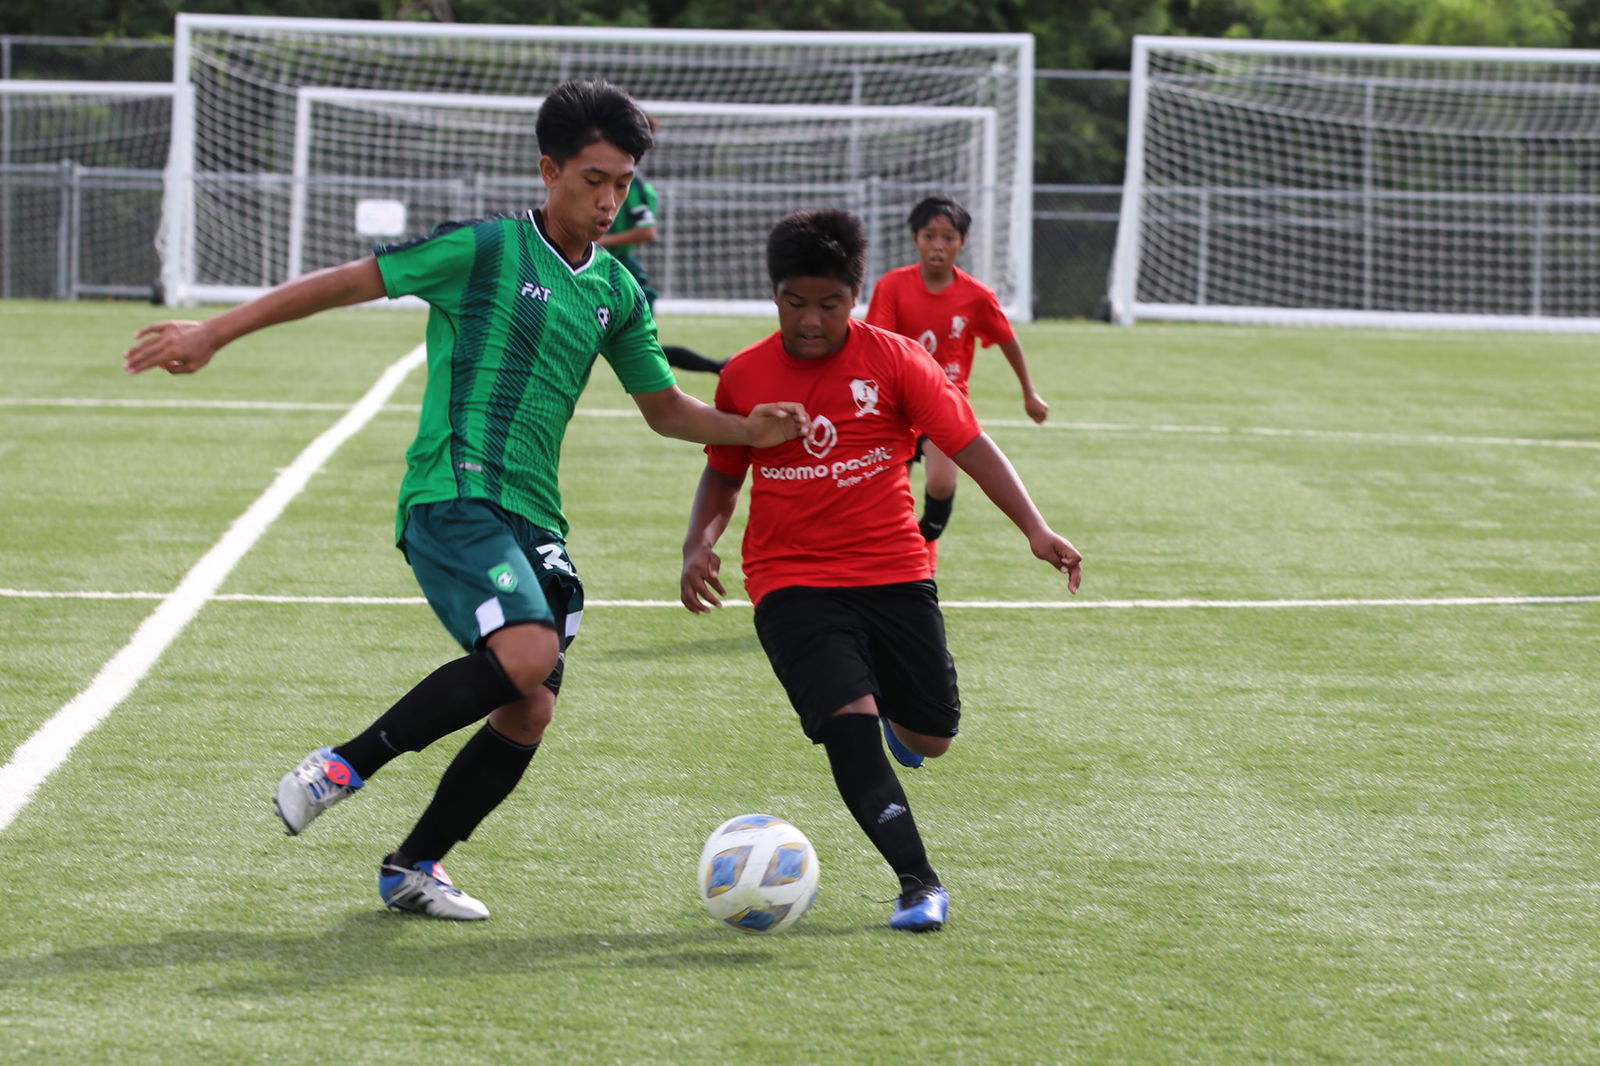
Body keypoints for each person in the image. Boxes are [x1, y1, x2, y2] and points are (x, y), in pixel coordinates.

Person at [121, 79, 809, 921]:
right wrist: (212, 331)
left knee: (530, 708)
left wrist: (750, 430)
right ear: (549, 169)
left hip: (534, 513)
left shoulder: (618, 292)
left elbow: (667, 411)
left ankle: (413, 867)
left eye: (622, 183)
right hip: (454, 491)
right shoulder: (484, 249)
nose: (608, 199)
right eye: (593, 179)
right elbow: (350, 282)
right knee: (524, 656)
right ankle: (342, 766)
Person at [679, 209, 1082, 933]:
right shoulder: (744, 375)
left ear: (854, 297)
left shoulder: (895, 360)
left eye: (829, 305)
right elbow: (723, 474)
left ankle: (903, 722)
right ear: (774, 295)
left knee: (932, 736)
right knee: (848, 725)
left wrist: (1036, 527)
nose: (810, 321)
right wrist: (697, 545)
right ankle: (919, 883)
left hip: (893, 570)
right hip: (789, 579)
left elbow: (972, 444)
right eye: (794, 303)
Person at [865, 196, 1049, 571]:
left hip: (942, 403)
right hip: (894, 406)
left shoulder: (976, 296)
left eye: (947, 237)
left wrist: (1028, 391)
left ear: (961, 243)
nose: (937, 245)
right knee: (887, 495)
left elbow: (1006, 339)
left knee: (942, 483)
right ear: (915, 238)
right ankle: (892, 562)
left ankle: (925, 543)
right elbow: (876, 340)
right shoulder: (893, 286)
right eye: (929, 235)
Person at [597, 115, 726, 375]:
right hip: (596, 267)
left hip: (622, 272)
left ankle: (721, 368)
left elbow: (647, 232)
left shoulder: (638, 189)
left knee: (641, 350)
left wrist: (600, 240)